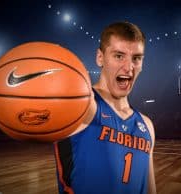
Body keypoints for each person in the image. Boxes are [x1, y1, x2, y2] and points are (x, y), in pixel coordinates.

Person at [54, 21, 156, 194]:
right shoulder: (79, 108)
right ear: (100, 58)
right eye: (118, 56)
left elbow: (150, 189)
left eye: (136, 58)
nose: (128, 67)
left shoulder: (147, 125)